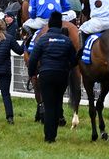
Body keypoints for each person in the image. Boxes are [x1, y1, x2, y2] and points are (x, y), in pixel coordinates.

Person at [27, 12, 78, 143]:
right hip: (61, 75)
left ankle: (49, 136)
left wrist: (32, 73)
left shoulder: (43, 39)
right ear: (61, 25)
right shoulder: (66, 41)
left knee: (49, 105)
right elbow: (73, 60)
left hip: (46, 74)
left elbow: (32, 59)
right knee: (57, 103)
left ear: (49, 24)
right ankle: (53, 134)